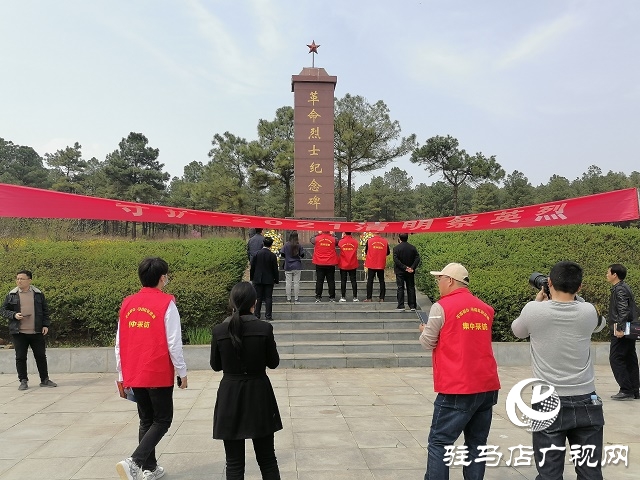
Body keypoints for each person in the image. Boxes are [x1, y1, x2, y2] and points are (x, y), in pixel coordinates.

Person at [512, 260, 604, 479]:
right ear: (580, 287)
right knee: (590, 472)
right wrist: (576, 298)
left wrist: (538, 300)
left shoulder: (534, 310)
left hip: (547, 401)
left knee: (549, 473)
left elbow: (518, 331)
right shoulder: (588, 311)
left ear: (549, 283)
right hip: (587, 401)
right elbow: (600, 323)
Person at [419, 263, 500, 480]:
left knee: (440, 442)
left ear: (451, 281)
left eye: (440, 279)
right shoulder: (486, 308)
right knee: (476, 444)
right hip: (487, 385)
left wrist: (425, 330)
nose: (438, 283)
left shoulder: (441, 307)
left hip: (458, 385)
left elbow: (428, 342)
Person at [115, 257, 188, 480]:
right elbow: (174, 342)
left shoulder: (127, 302)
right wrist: (182, 372)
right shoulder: (167, 303)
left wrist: (121, 375)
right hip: (156, 371)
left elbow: (119, 342)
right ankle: (135, 462)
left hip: (134, 372)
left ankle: (150, 468)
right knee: (163, 420)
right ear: (162, 278)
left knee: (146, 420)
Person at [211, 282, 282, 480]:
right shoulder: (264, 328)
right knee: (267, 459)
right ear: (254, 303)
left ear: (231, 302)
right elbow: (273, 363)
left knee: (233, 463)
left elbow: (215, 365)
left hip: (230, 395)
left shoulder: (219, 331)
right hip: (259, 393)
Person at [1, 270, 57, 390]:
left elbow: (45, 311)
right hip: (19, 332)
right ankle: (23, 380)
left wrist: (45, 325)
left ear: (29, 280)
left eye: (22, 279)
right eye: (17, 279)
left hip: (36, 331)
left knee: (41, 356)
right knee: (20, 357)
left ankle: (45, 379)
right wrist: (14, 315)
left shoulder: (38, 294)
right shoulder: (12, 294)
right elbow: (3, 310)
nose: (19, 281)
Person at [606, 263, 639, 400]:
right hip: (629, 328)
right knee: (629, 359)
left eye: (608, 272)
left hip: (622, 330)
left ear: (615, 275)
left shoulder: (619, 290)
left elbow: (623, 310)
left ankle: (626, 389)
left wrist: (620, 328)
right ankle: (634, 390)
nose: (606, 275)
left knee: (616, 358)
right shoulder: (624, 288)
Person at [250, 237, 279, 320]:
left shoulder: (256, 254)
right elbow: (275, 269)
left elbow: (253, 267)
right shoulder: (272, 255)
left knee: (258, 298)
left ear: (263, 243)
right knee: (268, 298)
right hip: (269, 280)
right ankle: (268, 316)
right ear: (271, 245)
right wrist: (276, 279)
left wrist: (252, 278)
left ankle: (257, 315)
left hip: (258, 279)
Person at [393, 233, 421, 311]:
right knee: (411, 287)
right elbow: (417, 258)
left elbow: (396, 260)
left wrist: (404, 267)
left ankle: (401, 305)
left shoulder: (396, 248)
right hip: (410, 271)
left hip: (400, 271)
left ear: (399, 238)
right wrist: (412, 267)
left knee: (400, 287)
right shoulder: (412, 248)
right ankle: (412, 306)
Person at [311, 230, 338, 303]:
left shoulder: (317, 238)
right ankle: (332, 297)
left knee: (319, 281)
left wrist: (317, 233)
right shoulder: (333, 239)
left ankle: (318, 297)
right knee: (331, 281)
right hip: (330, 262)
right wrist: (333, 235)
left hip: (319, 262)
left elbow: (311, 239)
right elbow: (337, 242)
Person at [279, 231, 305, 304]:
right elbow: (302, 255)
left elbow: (282, 254)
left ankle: (288, 299)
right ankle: (296, 299)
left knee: (288, 283)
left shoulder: (286, 245)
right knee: (296, 283)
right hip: (297, 265)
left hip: (288, 265)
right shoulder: (298, 245)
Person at [363, 233, 390, 302]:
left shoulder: (369, 241)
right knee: (381, 281)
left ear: (374, 233)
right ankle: (382, 298)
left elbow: (366, 251)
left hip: (371, 263)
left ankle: (369, 298)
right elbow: (388, 252)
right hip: (380, 263)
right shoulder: (385, 241)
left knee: (370, 281)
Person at [338, 232, 359, 302]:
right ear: (351, 233)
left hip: (343, 264)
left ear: (344, 233)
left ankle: (343, 297)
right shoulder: (355, 242)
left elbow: (338, 245)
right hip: (352, 263)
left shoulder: (341, 241)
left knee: (343, 281)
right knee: (353, 281)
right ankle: (355, 297)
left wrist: (342, 237)